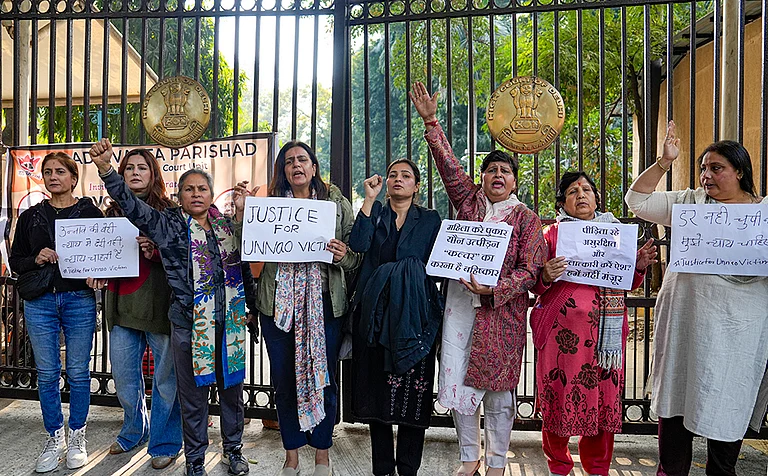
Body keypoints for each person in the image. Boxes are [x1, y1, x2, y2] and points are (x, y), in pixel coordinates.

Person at [89, 138, 250, 476]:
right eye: (188, 189)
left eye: (202, 188)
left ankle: (233, 451)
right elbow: (134, 208)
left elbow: (247, 268)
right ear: (180, 195)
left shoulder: (229, 229)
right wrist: (106, 170)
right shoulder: (170, 227)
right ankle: (194, 459)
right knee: (192, 397)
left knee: (232, 394)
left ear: (210, 194)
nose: (195, 194)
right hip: (188, 324)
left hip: (230, 323)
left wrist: (250, 310)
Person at [409, 82, 547, 476]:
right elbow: (448, 166)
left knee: (500, 396)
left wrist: (495, 289)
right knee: (462, 390)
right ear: (482, 177)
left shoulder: (526, 219)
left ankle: (498, 463)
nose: (497, 175)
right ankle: (469, 459)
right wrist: (431, 122)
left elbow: (530, 270)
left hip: (500, 317)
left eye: (505, 171)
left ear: (515, 181)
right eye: (491, 170)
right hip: (459, 310)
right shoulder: (468, 202)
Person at [625, 121, 768, 476]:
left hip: (738, 333)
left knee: (727, 400)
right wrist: (662, 163)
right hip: (685, 327)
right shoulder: (689, 202)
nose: (707, 175)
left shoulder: (763, 213)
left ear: (739, 172)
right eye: (704, 168)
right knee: (676, 401)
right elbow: (636, 200)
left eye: (716, 168)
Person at [530, 171, 657, 476]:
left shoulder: (615, 233)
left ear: (597, 199)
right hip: (561, 339)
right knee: (560, 397)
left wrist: (637, 266)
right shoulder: (550, 236)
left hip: (605, 341)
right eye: (573, 192)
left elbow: (626, 281)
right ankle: (559, 466)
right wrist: (545, 274)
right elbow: (534, 282)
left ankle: (597, 469)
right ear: (562, 203)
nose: (581, 195)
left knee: (601, 402)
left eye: (587, 190)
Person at [254, 141, 361, 476]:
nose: (296, 165)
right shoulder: (269, 207)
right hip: (278, 309)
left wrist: (344, 256)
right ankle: (291, 454)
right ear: (283, 172)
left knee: (322, 379)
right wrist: (245, 215)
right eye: (289, 162)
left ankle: (322, 453)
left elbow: (356, 258)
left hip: (326, 307)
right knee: (285, 382)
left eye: (302, 159)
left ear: (314, 167)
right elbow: (249, 248)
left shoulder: (336, 204)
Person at [9, 152, 103, 473]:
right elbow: (16, 259)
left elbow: (105, 254)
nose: (53, 177)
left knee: (78, 372)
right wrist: (35, 258)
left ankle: (78, 435)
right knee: (47, 374)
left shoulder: (91, 212)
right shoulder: (30, 217)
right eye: (47, 172)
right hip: (41, 301)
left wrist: (97, 272)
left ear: (73, 178)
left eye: (60, 171)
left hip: (79, 298)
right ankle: (55, 435)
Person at [349, 160, 444, 476]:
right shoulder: (374, 213)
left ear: (416, 186)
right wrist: (368, 199)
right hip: (375, 313)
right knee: (378, 394)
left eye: (406, 176)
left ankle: (408, 469)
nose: (398, 180)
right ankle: (383, 469)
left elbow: (440, 262)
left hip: (414, 315)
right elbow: (358, 245)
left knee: (413, 392)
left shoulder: (430, 220)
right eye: (392, 175)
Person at [102, 149, 183, 469]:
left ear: (154, 174)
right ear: (120, 174)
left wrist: (156, 251)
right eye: (129, 168)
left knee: (166, 381)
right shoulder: (110, 213)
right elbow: (98, 254)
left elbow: (182, 259)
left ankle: (164, 441)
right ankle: (135, 428)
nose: (136, 172)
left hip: (159, 305)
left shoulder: (171, 212)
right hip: (121, 304)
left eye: (143, 167)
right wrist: (93, 270)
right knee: (124, 377)